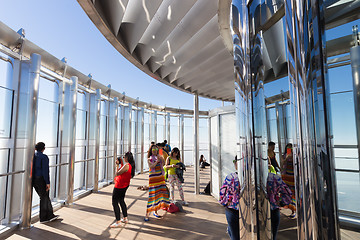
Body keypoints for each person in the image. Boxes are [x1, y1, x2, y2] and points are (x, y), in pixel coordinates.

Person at [32, 142, 59, 223]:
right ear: (43, 148)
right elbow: (45, 171)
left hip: (33, 180)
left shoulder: (32, 156)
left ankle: (50, 215)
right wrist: (47, 182)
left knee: (45, 197)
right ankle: (44, 218)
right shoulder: (44, 157)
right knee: (44, 198)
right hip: (41, 180)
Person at [145, 145, 170, 221]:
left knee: (158, 195)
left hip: (160, 178)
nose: (155, 150)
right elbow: (151, 166)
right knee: (152, 196)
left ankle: (155, 212)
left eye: (156, 149)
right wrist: (156, 161)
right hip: (153, 179)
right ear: (151, 151)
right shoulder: (149, 159)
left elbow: (163, 165)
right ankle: (147, 213)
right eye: (153, 149)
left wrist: (161, 159)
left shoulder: (160, 157)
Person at [110, 152, 135, 228]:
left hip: (119, 186)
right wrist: (120, 164)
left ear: (127, 158)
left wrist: (117, 165)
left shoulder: (126, 165)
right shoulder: (130, 165)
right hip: (125, 185)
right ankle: (125, 218)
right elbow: (124, 173)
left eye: (124, 157)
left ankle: (118, 221)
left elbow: (117, 173)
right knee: (121, 200)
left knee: (114, 202)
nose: (123, 158)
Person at [219, 156, 240, 240]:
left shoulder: (230, 177)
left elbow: (222, 191)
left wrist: (224, 202)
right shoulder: (253, 178)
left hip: (232, 209)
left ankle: (230, 229)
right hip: (246, 210)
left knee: (234, 234)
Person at [267, 171, 292, 240]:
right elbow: (287, 192)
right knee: (272, 237)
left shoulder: (247, 178)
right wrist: (282, 203)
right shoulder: (274, 177)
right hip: (273, 209)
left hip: (252, 212)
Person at [281, 143, 296, 218]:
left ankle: (294, 210)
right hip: (286, 177)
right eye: (288, 148)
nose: (289, 150)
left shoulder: (296, 156)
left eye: (291, 148)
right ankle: (292, 210)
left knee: (293, 194)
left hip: (293, 177)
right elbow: (282, 164)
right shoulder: (284, 155)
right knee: (288, 193)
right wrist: (286, 158)